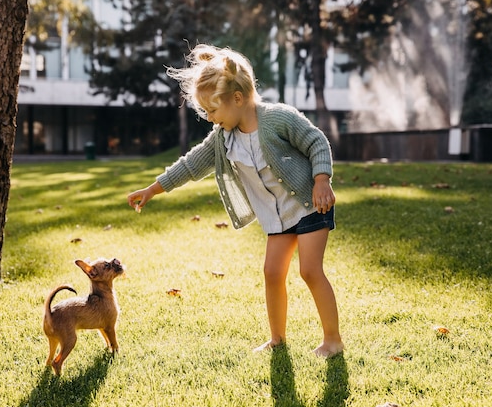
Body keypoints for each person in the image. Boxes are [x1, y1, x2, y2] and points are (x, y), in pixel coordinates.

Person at [127, 44, 344, 357]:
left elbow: (316, 141)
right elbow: (191, 164)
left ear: (238, 99)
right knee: (272, 273)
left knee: (309, 271)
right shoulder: (223, 137)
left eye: (213, 111)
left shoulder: (277, 118)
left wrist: (322, 180)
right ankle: (277, 339)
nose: (211, 119)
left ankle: (333, 340)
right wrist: (152, 189)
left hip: (310, 204)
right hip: (278, 217)